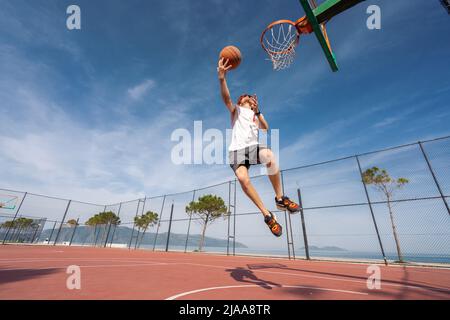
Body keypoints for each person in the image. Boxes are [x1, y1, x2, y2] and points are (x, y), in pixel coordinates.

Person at [217, 58, 300, 237]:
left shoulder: (254, 115)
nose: (248, 96)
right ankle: (267, 215)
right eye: (245, 96)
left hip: (253, 147)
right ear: (241, 101)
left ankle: (280, 198)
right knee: (242, 178)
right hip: (237, 150)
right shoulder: (236, 111)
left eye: (250, 96)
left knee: (269, 155)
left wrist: (258, 111)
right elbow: (226, 98)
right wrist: (222, 78)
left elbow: (266, 128)